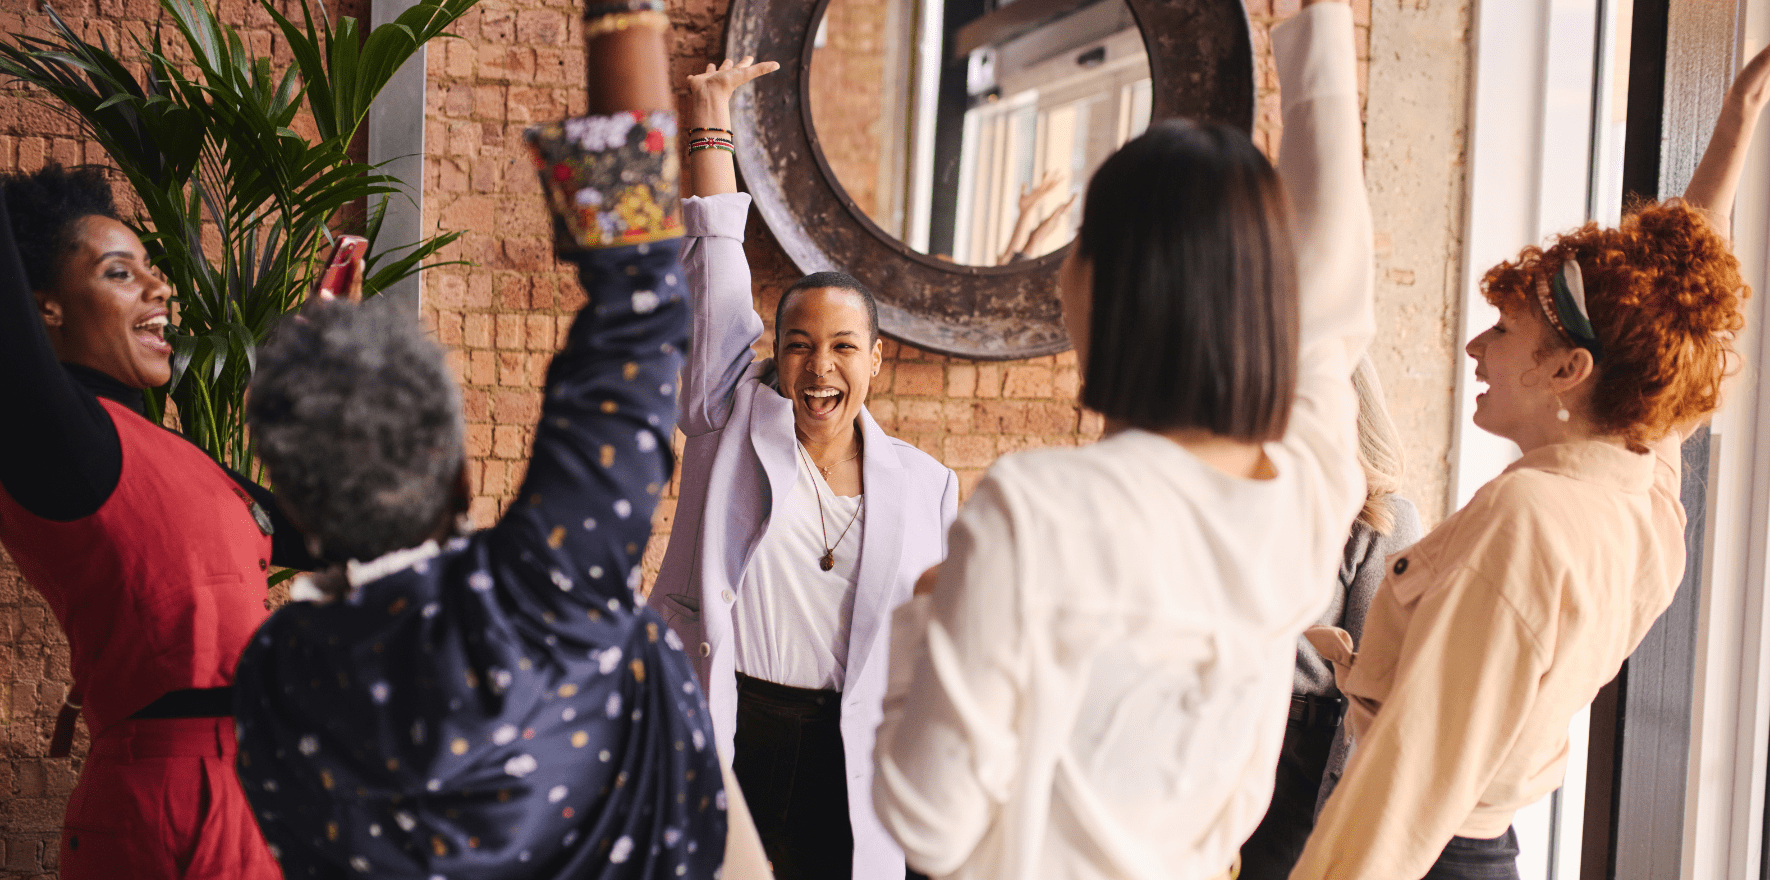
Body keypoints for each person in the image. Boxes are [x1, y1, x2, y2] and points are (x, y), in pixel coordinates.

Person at [228, 9, 769, 879]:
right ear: (457, 471)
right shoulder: (539, 592)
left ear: (289, 506)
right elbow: (637, 304)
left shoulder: (276, 679)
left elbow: (638, 312)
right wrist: (621, 21)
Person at [871, 1, 1371, 878]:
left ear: (1114, 285)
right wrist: (1319, 31)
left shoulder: (1039, 513)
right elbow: (1331, 313)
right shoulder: (1301, 492)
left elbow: (927, 822)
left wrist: (925, 613)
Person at [1287, 42, 1769, 880]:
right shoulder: (1639, 492)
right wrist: (1733, 127)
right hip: (1482, 851)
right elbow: (1678, 338)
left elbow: (1409, 782)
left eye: (1503, 332)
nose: (1474, 347)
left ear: (1567, 370)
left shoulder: (1529, 522)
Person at [651, 57, 959, 880]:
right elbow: (715, 261)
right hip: (735, 727)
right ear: (775, 357)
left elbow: (942, 647)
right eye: (798, 344)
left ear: (875, 360)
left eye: (842, 347)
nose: (820, 367)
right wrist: (710, 117)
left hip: (848, 755)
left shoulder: (928, 487)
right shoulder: (728, 422)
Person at [0, 163, 326, 878]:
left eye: (152, 270)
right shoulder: (58, 438)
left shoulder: (183, 459)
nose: (161, 287)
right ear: (44, 309)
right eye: (121, 273)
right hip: (170, 804)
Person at [1238, 359, 1422, 879]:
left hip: (1296, 748)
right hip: (1216, 712)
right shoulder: (1241, 495)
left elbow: (1378, 678)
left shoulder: (1381, 517)